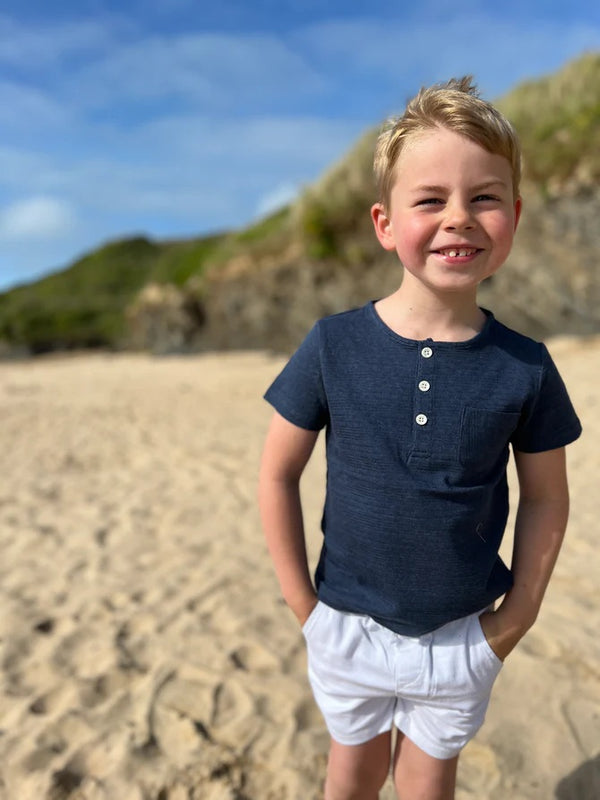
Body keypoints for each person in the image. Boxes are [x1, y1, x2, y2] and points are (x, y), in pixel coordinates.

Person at [258, 76, 582, 800]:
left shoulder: (525, 365)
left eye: (485, 197)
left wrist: (518, 615)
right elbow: (278, 472)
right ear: (384, 222)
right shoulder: (332, 344)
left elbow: (546, 500)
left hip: (460, 636)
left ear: (516, 216)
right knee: (350, 781)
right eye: (430, 199)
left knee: (427, 789)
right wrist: (303, 607)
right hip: (344, 626)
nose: (458, 218)